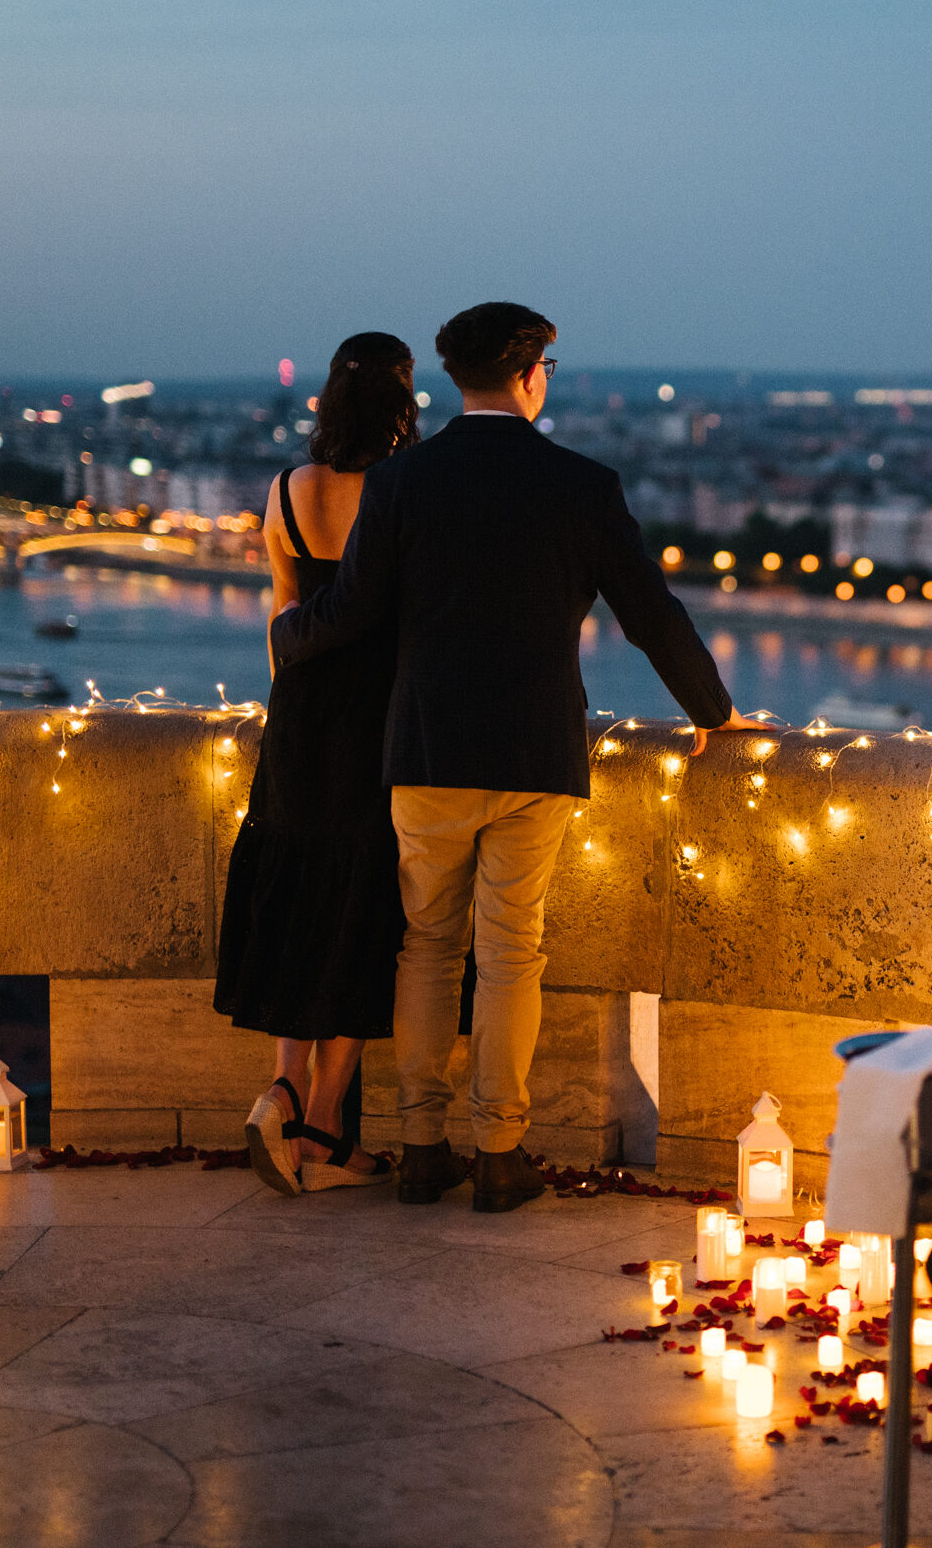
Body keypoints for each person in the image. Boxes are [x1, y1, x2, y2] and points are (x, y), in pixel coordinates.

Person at [272, 301, 760, 1213]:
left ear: (457, 380)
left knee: (425, 948)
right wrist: (714, 714)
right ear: (533, 375)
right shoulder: (584, 485)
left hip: (423, 749)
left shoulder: (404, 482)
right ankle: (500, 1149)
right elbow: (651, 615)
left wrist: (287, 638)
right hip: (534, 752)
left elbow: (350, 614)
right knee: (510, 954)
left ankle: (422, 1144)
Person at [216, 332, 421, 1196]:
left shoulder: (288, 491)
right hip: (376, 723)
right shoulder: (405, 491)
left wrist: (289, 720)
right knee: (360, 917)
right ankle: (325, 1128)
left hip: (299, 720)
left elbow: (282, 617)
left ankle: (281, 1088)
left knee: (298, 902)